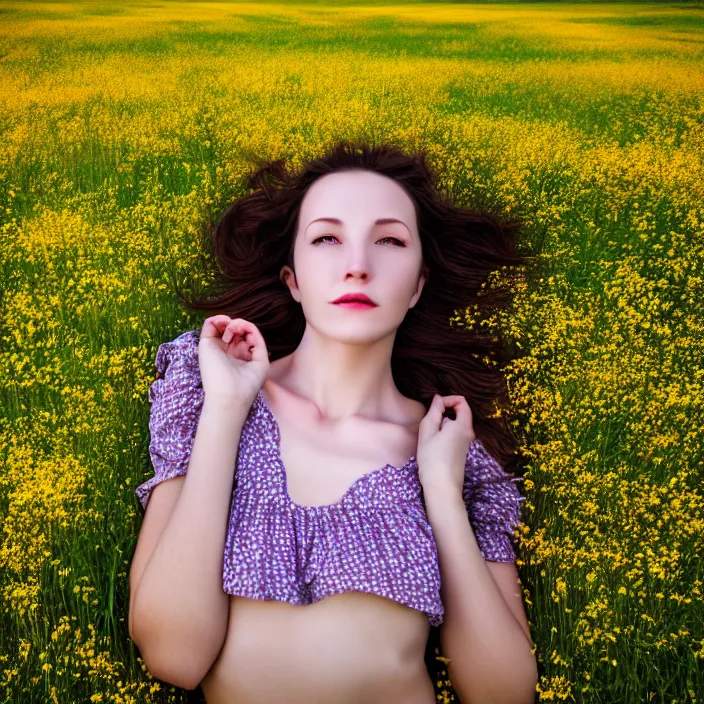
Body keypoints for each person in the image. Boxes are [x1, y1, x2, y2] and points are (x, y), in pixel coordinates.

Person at [128, 141, 538, 703]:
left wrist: (441, 492)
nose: (357, 265)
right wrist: (227, 412)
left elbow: (503, 693)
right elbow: (174, 656)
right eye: (327, 237)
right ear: (293, 279)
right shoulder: (204, 399)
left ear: (418, 285)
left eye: (390, 240)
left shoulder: (449, 449)